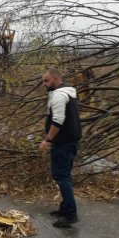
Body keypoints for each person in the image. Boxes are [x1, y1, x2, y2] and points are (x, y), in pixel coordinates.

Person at [38, 68, 82, 227]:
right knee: (64, 176)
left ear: (57, 79)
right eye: (43, 81)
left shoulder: (58, 95)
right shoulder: (67, 93)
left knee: (61, 177)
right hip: (70, 141)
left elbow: (58, 121)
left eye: (47, 81)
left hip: (63, 143)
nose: (44, 84)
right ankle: (64, 208)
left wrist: (48, 140)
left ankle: (70, 214)